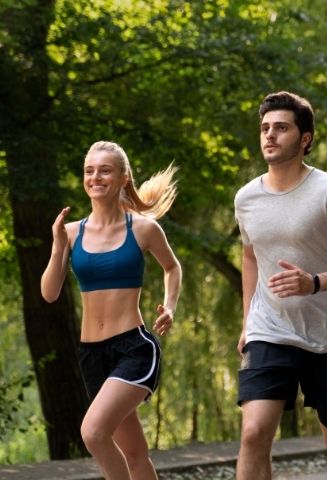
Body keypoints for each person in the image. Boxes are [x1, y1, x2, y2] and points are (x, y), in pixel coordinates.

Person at [233, 91, 327, 480]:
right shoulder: (246, 198)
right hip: (271, 329)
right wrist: (248, 321)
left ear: (305, 139)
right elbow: (250, 256)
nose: (269, 135)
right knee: (253, 433)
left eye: (281, 128)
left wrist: (314, 282)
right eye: (265, 128)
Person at [41, 141, 181, 480]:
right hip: (92, 355)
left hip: (134, 348)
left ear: (122, 178)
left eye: (105, 170)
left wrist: (170, 307)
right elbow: (48, 293)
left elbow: (172, 267)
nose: (95, 177)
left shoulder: (143, 228)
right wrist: (59, 244)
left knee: (92, 432)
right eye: (90, 171)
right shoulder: (72, 233)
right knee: (134, 453)